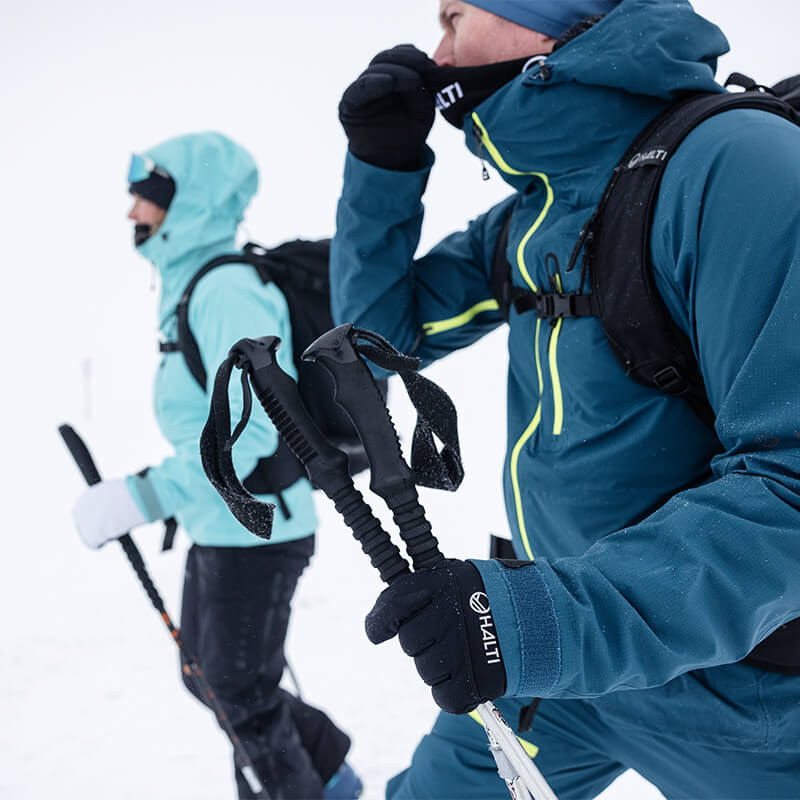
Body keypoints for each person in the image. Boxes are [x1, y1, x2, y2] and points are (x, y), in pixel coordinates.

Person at [332, 1, 800, 797]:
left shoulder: (738, 165)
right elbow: (378, 343)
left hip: (736, 699)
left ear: (551, 20)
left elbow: (790, 489)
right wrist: (382, 168)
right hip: (552, 663)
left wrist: (536, 622)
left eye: (454, 17)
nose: (436, 52)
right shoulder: (536, 212)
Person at [72, 132, 362, 800]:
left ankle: (319, 787)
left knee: (240, 693)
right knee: (210, 677)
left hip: (260, 530)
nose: (131, 213)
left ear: (187, 203)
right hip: (221, 521)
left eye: (143, 197)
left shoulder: (226, 290)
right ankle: (331, 770)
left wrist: (142, 497)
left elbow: (253, 431)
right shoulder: (192, 288)